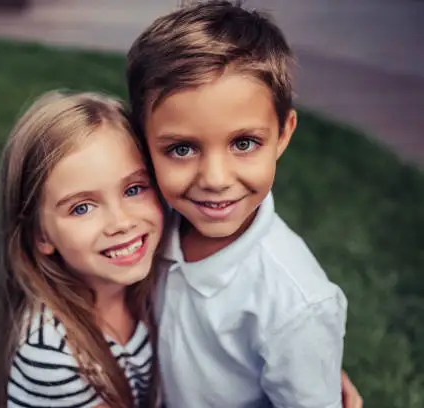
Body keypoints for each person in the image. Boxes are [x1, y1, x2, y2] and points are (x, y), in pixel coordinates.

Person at [126, 1, 361, 407]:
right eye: (182, 148)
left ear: (283, 134)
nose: (215, 180)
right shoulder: (149, 222)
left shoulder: (296, 303)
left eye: (244, 143)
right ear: (142, 140)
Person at [0, 91, 164, 408]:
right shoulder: (55, 353)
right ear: (40, 235)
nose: (120, 222)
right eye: (81, 208)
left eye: (133, 189)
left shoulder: (157, 281)